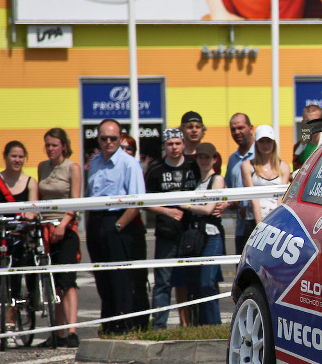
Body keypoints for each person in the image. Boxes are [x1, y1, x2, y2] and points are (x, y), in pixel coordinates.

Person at [85, 119, 149, 333]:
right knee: (102, 277)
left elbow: (137, 201)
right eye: (104, 138)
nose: (109, 142)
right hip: (96, 222)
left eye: (113, 138)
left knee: (120, 278)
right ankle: (109, 323)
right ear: (98, 139)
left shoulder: (129, 163)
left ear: (121, 138)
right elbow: (90, 196)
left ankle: (124, 324)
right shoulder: (95, 162)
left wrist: (118, 226)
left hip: (118, 221)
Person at [0, 142, 39, 336]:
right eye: (14, 156)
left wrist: (30, 214)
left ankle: (10, 324)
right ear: (5, 157)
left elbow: (34, 208)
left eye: (21, 157)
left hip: (15, 236)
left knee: (15, 279)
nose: (17, 160)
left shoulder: (30, 182)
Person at [144, 129, 200, 329]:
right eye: (170, 144)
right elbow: (144, 202)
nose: (174, 147)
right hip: (166, 234)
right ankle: (159, 325)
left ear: (183, 144)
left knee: (191, 280)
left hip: (191, 233)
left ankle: (193, 324)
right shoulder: (155, 170)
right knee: (163, 281)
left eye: (177, 143)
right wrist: (167, 211)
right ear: (164, 146)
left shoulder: (194, 166)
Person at [37, 128, 82, 348]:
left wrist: (63, 224)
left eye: (54, 145)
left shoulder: (72, 167)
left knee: (67, 281)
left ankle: (72, 331)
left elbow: (75, 201)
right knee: (53, 283)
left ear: (63, 146)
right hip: (45, 229)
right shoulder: (42, 167)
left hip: (66, 227)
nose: (50, 149)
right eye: (47, 145)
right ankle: (58, 332)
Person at [179, 142, 226, 326]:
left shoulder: (217, 179)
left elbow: (208, 209)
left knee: (208, 282)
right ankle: (200, 324)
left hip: (212, 237)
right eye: (200, 157)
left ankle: (214, 324)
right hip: (196, 237)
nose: (204, 161)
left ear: (214, 159)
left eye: (207, 157)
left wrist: (187, 206)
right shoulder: (197, 181)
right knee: (196, 284)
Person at [242, 124, 290, 226]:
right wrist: (259, 223)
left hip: (276, 220)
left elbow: (281, 197)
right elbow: (253, 197)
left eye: (269, 141)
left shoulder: (284, 167)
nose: (265, 145)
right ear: (256, 144)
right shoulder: (247, 166)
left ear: (274, 143)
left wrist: (278, 221)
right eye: (261, 141)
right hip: (254, 220)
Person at [226, 113, 256, 254]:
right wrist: (231, 202)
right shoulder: (232, 159)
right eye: (233, 129)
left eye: (240, 128)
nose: (236, 132)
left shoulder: (263, 153)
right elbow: (228, 188)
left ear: (251, 128)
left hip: (259, 225)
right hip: (240, 227)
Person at [293, 104, 322, 171]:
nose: (312, 125)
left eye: (315, 121)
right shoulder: (297, 147)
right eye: (308, 121)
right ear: (303, 123)